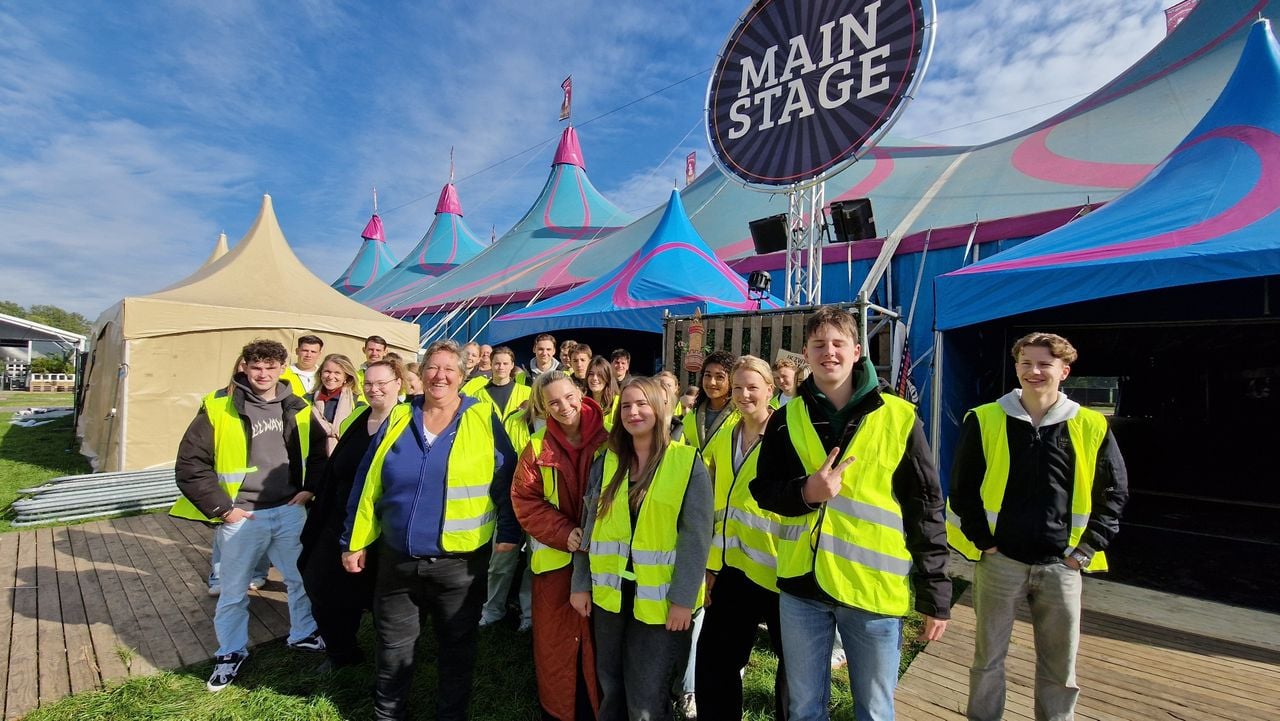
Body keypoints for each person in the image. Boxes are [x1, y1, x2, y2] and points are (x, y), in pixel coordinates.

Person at [751, 306, 950, 721]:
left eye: (839, 344)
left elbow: (925, 506)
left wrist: (936, 592)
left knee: (874, 711)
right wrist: (807, 491)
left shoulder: (898, 417)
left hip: (872, 591)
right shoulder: (786, 418)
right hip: (802, 590)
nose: (829, 353)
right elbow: (763, 490)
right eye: (819, 344)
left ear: (857, 351)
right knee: (804, 709)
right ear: (806, 351)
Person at [948, 332, 1128, 721]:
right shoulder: (984, 419)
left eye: (1044, 364)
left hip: (1062, 566)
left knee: (1060, 668)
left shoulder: (1091, 425)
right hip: (1001, 562)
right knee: (987, 660)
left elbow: (1114, 493)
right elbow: (962, 488)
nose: (1034, 371)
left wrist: (1084, 552)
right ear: (1015, 368)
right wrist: (985, 542)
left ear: (1064, 371)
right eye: (1026, 363)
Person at [342, 339, 521, 721]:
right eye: (432, 368)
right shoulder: (398, 417)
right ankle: (388, 714)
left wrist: (508, 531)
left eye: (449, 369)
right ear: (420, 374)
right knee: (392, 647)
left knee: (457, 648)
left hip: (459, 565)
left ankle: (450, 715)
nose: (440, 376)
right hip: (398, 560)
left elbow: (507, 478)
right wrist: (353, 540)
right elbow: (368, 482)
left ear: (463, 375)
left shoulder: (482, 418)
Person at [172, 339, 325, 693]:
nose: (263, 374)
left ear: (283, 369)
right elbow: (190, 465)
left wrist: (310, 487)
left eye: (271, 367)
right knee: (234, 589)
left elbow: (319, 451)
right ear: (244, 366)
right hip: (243, 516)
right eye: (256, 367)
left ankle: (302, 633)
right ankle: (230, 651)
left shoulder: (297, 406)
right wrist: (223, 510)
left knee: (300, 580)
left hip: (289, 510)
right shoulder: (219, 406)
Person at [571, 377, 714, 721]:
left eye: (641, 404)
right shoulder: (607, 461)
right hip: (610, 597)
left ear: (660, 408)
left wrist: (682, 600)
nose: (633, 412)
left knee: (645, 699)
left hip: (661, 602)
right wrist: (580, 583)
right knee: (612, 685)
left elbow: (696, 537)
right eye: (626, 406)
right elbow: (588, 525)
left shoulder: (686, 462)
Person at [512, 370, 610, 720]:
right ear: (543, 407)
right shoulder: (537, 447)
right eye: (553, 402)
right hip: (555, 562)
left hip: (605, 559)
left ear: (580, 392)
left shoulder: (612, 438)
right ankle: (560, 710)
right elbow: (524, 498)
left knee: (602, 639)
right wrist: (562, 530)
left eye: (568, 396)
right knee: (556, 644)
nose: (564, 406)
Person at [696, 355, 789, 720]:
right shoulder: (725, 433)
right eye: (738, 387)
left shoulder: (787, 434)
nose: (744, 394)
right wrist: (709, 565)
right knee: (714, 663)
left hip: (782, 573)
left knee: (795, 668)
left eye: (753, 387)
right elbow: (712, 500)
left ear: (771, 389)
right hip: (733, 570)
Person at [299, 358, 403, 671]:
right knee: (321, 582)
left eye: (382, 383)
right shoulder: (358, 417)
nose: (375, 389)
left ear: (399, 383)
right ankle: (341, 651)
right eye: (369, 383)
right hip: (340, 516)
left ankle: (391, 663)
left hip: (383, 526)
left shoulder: (408, 421)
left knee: (381, 596)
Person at [307, 353, 365, 457]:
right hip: (311, 458)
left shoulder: (357, 402)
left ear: (346, 376)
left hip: (344, 458)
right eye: (327, 372)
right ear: (320, 374)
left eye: (337, 373)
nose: (331, 376)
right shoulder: (307, 399)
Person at [682, 350, 739, 451]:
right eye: (707, 375)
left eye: (720, 377)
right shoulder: (692, 415)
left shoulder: (740, 417)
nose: (712, 382)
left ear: (732, 380)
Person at [471, 346, 532, 422]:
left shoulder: (527, 393)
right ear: (491, 365)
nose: (501, 367)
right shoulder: (478, 396)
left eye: (505, 364)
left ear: (512, 365)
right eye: (497, 363)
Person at [585, 355, 620, 430]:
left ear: (607, 378)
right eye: (591, 374)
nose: (594, 378)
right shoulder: (581, 403)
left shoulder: (618, 403)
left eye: (600, 375)